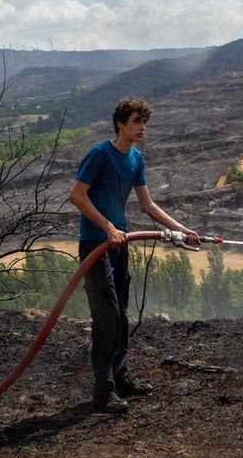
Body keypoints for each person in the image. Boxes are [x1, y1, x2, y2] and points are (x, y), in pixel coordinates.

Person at [68, 96, 199, 413]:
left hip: (119, 242)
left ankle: (121, 378)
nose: (142, 128)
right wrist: (108, 227)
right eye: (137, 122)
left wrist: (183, 230)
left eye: (145, 122)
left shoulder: (136, 159)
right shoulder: (100, 154)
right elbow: (76, 195)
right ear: (120, 124)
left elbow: (147, 205)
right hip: (95, 245)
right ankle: (103, 391)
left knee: (121, 312)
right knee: (106, 315)